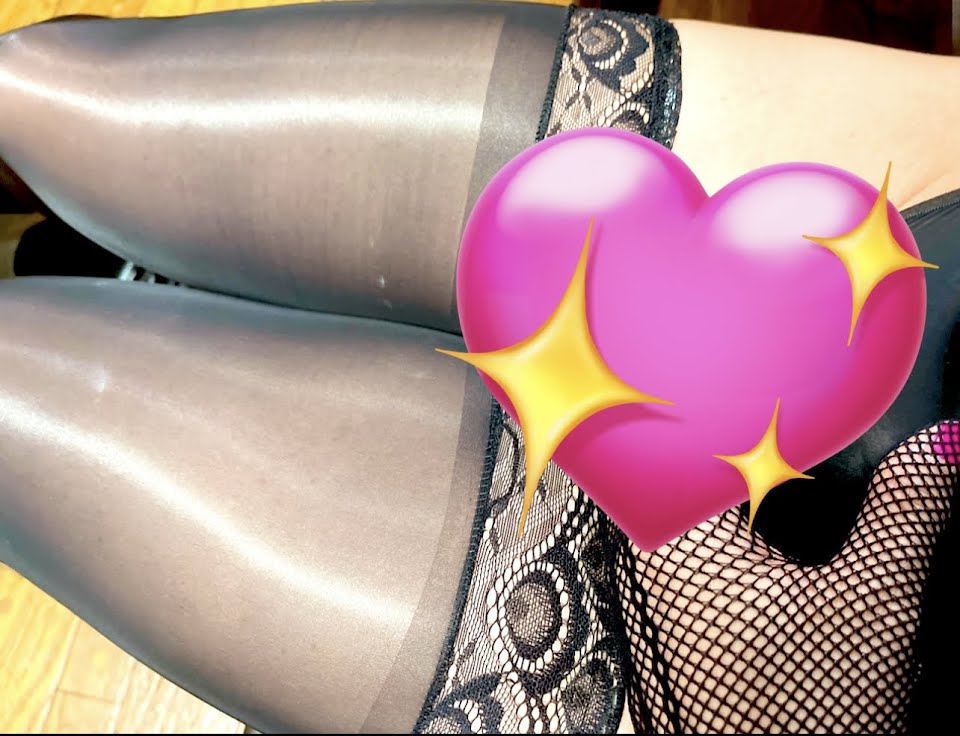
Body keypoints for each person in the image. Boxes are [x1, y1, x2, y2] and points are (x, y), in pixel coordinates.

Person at [0, 2, 955, 732]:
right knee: (38, 83)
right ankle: (186, 283)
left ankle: (181, 284)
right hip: (908, 256)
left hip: (774, 665)